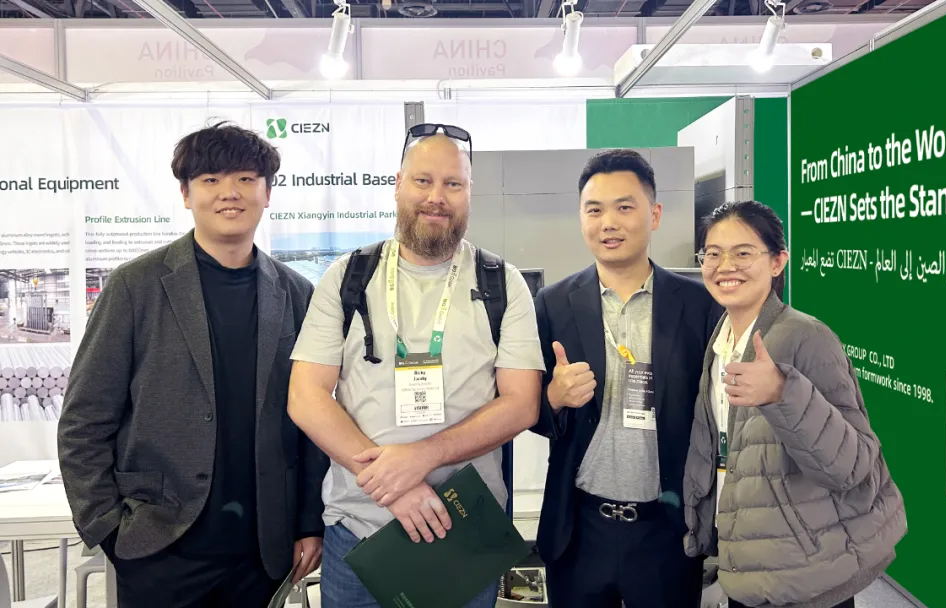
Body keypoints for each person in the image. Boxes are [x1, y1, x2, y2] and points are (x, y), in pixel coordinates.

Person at [57, 122, 329, 607]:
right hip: (160, 547)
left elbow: (312, 421)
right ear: (186, 194)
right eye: (210, 180)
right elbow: (85, 418)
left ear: (268, 193)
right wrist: (108, 527)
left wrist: (309, 522)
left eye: (246, 179)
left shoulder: (296, 293)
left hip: (261, 550)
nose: (230, 193)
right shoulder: (134, 287)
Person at [286, 124, 545, 608]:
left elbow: (522, 403)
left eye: (453, 184)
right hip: (359, 531)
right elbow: (305, 396)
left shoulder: (502, 283)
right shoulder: (347, 276)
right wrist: (393, 486)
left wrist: (422, 457)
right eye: (423, 181)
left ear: (470, 193)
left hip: (463, 530)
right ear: (398, 184)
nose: (436, 197)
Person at [682, 200, 907, 608]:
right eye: (713, 253)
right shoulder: (720, 342)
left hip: (807, 573)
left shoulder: (807, 338)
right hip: (751, 564)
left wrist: (784, 393)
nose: (725, 266)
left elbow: (853, 465)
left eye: (743, 253)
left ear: (777, 262)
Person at [530, 149, 720, 608]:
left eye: (624, 207)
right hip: (579, 529)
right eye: (594, 210)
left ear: (654, 215)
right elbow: (526, 411)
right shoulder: (552, 304)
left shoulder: (699, 305)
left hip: (667, 530)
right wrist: (552, 398)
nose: (608, 223)